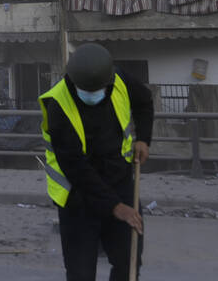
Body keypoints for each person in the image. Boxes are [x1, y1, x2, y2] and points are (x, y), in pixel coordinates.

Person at [40, 43, 154, 281]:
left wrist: (144, 139)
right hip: (78, 197)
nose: (92, 94)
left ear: (109, 81)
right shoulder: (58, 107)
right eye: (85, 89)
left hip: (119, 182)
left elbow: (144, 102)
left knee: (128, 263)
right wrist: (115, 207)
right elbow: (76, 168)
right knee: (80, 273)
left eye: (98, 89)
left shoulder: (119, 79)